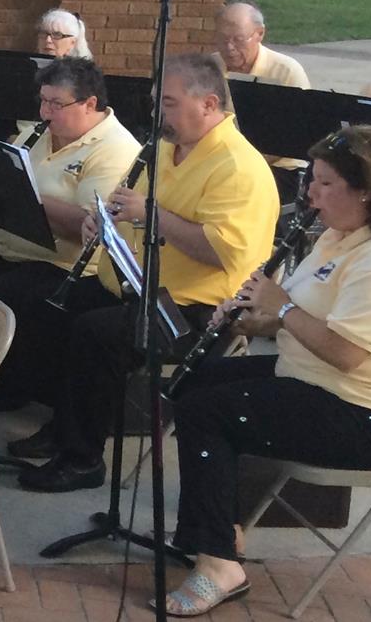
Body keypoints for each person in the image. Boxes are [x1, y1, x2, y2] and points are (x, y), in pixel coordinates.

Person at [20, 53, 279, 492]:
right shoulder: (163, 148)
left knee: (95, 334)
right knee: (52, 310)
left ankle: (84, 460)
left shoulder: (238, 167)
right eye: (159, 102)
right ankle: (65, 426)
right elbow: (128, 205)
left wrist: (151, 216)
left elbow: (223, 253)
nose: (160, 115)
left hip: (195, 310)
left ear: (210, 104)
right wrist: (100, 220)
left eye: (171, 105)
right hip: (139, 286)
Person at [161, 127, 371, 618]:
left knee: (207, 412)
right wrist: (246, 317)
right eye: (311, 181)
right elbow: (297, 318)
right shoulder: (335, 237)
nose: (310, 195)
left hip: (353, 410)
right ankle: (218, 530)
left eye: (324, 184)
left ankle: (220, 566)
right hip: (304, 377)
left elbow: (345, 353)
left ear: (364, 191)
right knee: (192, 384)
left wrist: (278, 310)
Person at [0, 58, 142, 420]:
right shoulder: (40, 132)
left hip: (63, 265)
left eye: (56, 104)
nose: (44, 112)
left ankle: (19, 388)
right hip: (16, 246)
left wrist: (26, 195)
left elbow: (88, 224)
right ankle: (6, 381)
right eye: (42, 101)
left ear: (90, 104)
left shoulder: (114, 148)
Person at [214, 0, 310, 88]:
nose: (229, 47)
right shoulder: (209, 66)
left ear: (260, 33)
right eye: (223, 39)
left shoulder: (287, 73)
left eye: (238, 39)